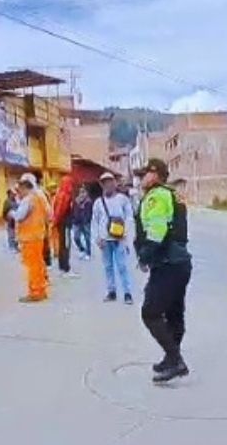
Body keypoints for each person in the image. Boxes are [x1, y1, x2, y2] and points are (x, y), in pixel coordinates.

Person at [135, 158, 191, 384]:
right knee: (175, 314)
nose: (141, 179)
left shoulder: (156, 196)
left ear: (156, 175)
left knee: (150, 313)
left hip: (167, 264)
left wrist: (144, 256)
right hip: (180, 263)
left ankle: (176, 360)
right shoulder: (173, 195)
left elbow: (156, 231)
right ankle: (171, 358)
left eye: (144, 175)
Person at [92, 172, 135, 304]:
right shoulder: (98, 203)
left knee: (122, 266)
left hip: (119, 239)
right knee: (108, 267)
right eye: (105, 183)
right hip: (105, 240)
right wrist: (97, 237)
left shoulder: (123, 200)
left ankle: (127, 293)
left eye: (110, 182)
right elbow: (94, 221)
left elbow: (129, 217)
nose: (108, 185)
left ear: (114, 183)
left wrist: (126, 235)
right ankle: (111, 291)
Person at [9, 173, 50, 303]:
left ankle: (35, 292)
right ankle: (41, 289)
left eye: (20, 188)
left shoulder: (28, 199)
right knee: (38, 264)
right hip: (38, 235)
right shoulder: (40, 197)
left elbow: (19, 216)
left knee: (32, 266)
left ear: (26, 186)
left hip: (29, 237)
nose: (19, 191)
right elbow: (49, 214)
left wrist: (12, 213)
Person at [52, 177, 78, 278]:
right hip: (65, 224)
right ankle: (66, 268)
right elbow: (60, 210)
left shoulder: (59, 194)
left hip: (61, 224)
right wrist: (56, 221)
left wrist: (55, 221)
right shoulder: (65, 195)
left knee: (62, 244)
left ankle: (62, 267)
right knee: (66, 245)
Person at [73, 185, 94, 260]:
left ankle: (88, 253)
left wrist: (87, 219)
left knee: (87, 237)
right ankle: (82, 249)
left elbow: (90, 212)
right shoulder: (76, 201)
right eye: (80, 192)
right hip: (77, 222)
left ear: (86, 193)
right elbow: (74, 210)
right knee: (76, 237)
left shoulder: (89, 202)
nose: (82, 194)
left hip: (85, 222)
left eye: (83, 192)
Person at [1, 187, 19, 253]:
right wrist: (7, 219)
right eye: (12, 194)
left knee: (16, 234)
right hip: (10, 221)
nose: (14, 195)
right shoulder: (7, 202)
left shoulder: (15, 201)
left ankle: (16, 246)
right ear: (9, 194)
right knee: (11, 234)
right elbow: (4, 212)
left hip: (16, 221)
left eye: (14, 194)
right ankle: (12, 247)